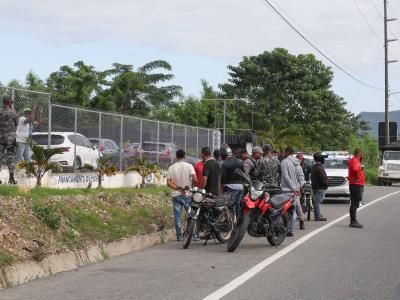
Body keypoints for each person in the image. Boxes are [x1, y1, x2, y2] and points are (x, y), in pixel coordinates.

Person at [167, 149, 198, 241]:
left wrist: (177, 188)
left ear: (176, 157)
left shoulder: (171, 168)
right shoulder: (189, 166)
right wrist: (191, 188)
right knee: (191, 214)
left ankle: (179, 236)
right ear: (184, 157)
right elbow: (195, 179)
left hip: (176, 195)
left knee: (177, 216)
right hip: (187, 194)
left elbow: (168, 183)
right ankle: (193, 235)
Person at [280, 146, 305, 236]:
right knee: (293, 210)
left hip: (286, 190)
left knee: (283, 210)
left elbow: (286, 176)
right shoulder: (298, 164)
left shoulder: (284, 162)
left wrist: (293, 188)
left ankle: (285, 228)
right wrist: (296, 188)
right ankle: (290, 229)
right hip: (295, 191)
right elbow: (302, 179)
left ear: (286, 152)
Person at [0, 95, 18, 185]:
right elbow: (16, 123)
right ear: (9, 102)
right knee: (10, 158)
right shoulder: (12, 112)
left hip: (1, 137)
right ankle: (11, 178)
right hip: (10, 138)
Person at [220, 147, 244, 215]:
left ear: (224, 155)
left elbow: (223, 178)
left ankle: (229, 220)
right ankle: (238, 221)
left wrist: (221, 189)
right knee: (238, 204)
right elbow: (243, 174)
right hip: (240, 187)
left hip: (229, 186)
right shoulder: (240, 162)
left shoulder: (225, 164)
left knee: (228, 204)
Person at [348, 148, 365, 228]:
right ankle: (353, 221)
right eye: (361, 154)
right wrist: (358, 171)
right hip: (356, 184)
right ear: (359, 154)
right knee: (355, 203)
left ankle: (353, 220)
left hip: (356, 184)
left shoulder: (354, 160)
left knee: (355, 202)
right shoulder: (355, 160)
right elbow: (355, 169)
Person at [310, 152, 329, 221]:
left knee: (316, 201)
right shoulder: (320, 167)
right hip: (320, 187)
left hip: (315, 187)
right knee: (317, 202)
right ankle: (317, 216)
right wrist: (326, 184)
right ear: (320, 159)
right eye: (323, 158)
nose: (324, 159)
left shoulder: (314, 166)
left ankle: (318, 214)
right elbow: (323, 178)